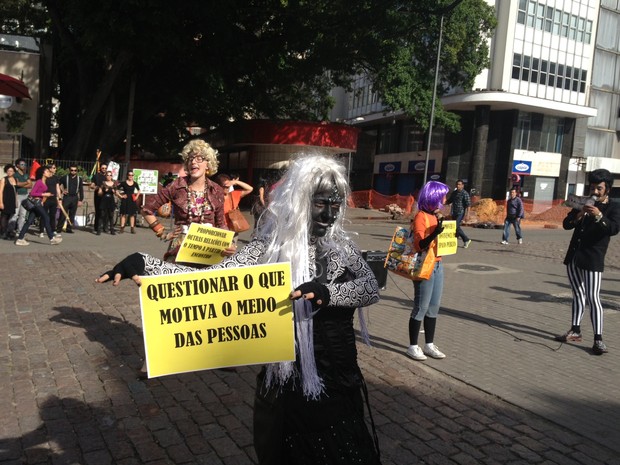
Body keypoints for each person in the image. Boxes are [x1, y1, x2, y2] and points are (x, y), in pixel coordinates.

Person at [96, 154, 382, 464]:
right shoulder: (271, 246)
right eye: (321, 204)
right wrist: (145, 263)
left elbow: (369, 287)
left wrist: (328, 292)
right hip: (288, 381)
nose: (329, 214)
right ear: (301, 202)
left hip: (338, 378)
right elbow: (215, 280)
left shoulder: (343, 246)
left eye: (335, 205)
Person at [555, 169, 620, 355]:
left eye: (599, 188)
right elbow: (567, 224)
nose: (595, 191)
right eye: (592, 187)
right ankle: (575, 330)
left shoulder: (613, 207)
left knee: (593, 298)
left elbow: (614, 229)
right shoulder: (583, 202)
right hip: (574, 256)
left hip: (593, 259)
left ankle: (598, 339)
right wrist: (579, 214)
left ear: (607, 189)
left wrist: (599, 215)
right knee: (577, 294)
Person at [141, 139, 230, 263]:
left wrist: (228, 244)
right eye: (190, 158)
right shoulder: (177, 185)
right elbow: (146, 209)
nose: (193, 161)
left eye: (199, 158)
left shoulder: (216, 190)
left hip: (207, 251)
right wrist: (162, 232)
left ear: (208, 164)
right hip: (179, 249)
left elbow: (221, 224)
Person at [406, 180, 450, 362]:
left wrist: (451, 234)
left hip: (438, 264)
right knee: (421, 307)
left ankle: (429, 344)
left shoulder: (437, 216)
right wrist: (435, 233)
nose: (445, 199)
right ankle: (413, 346)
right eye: (443, 196)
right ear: (434, 197)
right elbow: (419, 244)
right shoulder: (421, 216)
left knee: (434, 307)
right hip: (425, 266)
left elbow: (442, 242)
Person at [15, 165, 63, 246]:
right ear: (43, 173)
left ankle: (20, 238)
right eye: (47, 171)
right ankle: (52, 238)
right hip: (36, 203)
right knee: (46, 217)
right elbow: (32, 193)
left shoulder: (44, 181)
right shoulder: (39, 182)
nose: (49, 172)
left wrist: (44, 198)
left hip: (39, 203)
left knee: (29, 221)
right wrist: (44, 194)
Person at [57, 164, 84, 234]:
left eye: (75, 170)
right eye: (72, 170)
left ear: (77, 171)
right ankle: (59, 228)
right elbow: (58, 184)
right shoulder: (65, 177)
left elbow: (81, 189)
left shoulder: (79, 179)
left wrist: (81, 200)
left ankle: (69, 228)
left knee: (72, 214)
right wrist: (62, 191)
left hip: (75, 197)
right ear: (69, 170)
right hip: (67, 197)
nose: (73, 171)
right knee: (63, 213)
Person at [445, 179, 471, 248]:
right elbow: (449, 201)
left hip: (461, 212)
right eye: (457, 184)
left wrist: (467, 214)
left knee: (455, 226)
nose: (458, 186)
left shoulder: (465, 193)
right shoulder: (454, 193)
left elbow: (468, 205)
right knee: (456, 227)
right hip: (454, 212)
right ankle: (455, 241)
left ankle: (466, 239)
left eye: (459, 184)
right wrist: (442, 204)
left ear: (462, 185)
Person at [38, 163, 61, 238]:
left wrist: (59, 198)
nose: (55, 169)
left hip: (53, 198)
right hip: (46, 198)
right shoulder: (45, 177)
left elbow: (57, 188)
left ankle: (53, 230)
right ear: (50, 169)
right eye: (54, 168)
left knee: (52, 215)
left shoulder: (56, 178)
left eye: (55, 168)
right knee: (43, 215)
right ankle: (41, 230)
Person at [96, 171, 121, 235]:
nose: (109, 176)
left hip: (111, 201)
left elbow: (116, 192)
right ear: (106, 176)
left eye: (110, 175)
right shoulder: (103, 183)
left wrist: (120, 195)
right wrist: (101, 191)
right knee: (101, 215)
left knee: (111, 216)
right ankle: (99, 230)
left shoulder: (114, 184)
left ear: (112, 176)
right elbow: (99, 193)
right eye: (108, 175)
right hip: (104, 200)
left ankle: (112, 230)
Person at [12, 158, 32, 234]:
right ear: (17, 165)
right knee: (15, 214)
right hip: (17, 195)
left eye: (25, 164)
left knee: (23, 215)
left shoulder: (26, 175)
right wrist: (25, 183)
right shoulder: (15, 174)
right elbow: (17, 184)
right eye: (22, 164)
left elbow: (30, 185)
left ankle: (20, 230)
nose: (24, 166)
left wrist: (22, 184)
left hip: (25, 195)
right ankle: (11, 230)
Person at [0, 164, 18, 239]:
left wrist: (16, 202)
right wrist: (1, 202)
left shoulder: (15, 179)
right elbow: (0, 191)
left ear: (14, 172)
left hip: (12, 200)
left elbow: (16, 192)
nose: (9, 172)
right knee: (4, 216)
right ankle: (3, 232)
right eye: (8, 171)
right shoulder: (4, 179)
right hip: (5, 200)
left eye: (11, 171)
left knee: (10, 216)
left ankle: (7, 231)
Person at [89, 162, 108, 233]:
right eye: (103, 168)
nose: (104, 169)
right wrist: (95, 187)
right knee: (98, 211)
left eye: (105, 168)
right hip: (98, 196)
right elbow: (92, 185)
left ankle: (105, 228)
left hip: (107, 196)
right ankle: (96, 227)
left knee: (106, 212)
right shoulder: (96, 176)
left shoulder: (108, 176)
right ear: (100, 168)